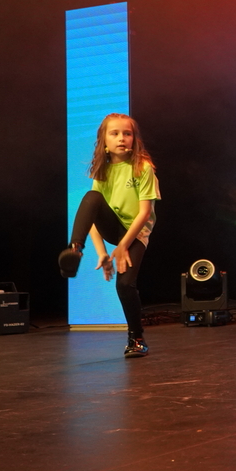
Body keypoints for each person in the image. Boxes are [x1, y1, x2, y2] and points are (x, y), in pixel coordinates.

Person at [58, 113, 161, 358]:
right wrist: (102, 252)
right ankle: (75, 249)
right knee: (91, 197)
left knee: (124, 284)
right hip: (113, 227)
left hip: (136, 232)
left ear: (134, 139)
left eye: (127, 133)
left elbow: (145, 213)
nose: (121, 138)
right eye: (114, 134)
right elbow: (92, 216)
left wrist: (123, 245)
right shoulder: (102, 171)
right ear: (104, 141)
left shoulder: (142, 167)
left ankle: (136, 338)